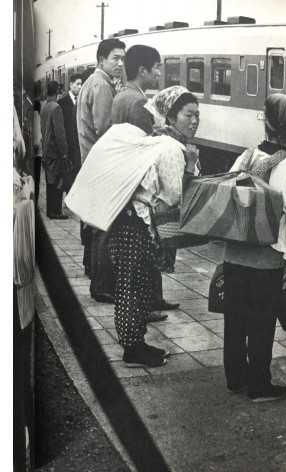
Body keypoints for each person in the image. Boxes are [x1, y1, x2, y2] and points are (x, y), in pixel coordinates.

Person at [223, 93, 286, 402]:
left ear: (266, 123)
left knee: (234, 320)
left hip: (234, 254)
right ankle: (259, 386)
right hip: (267, 258)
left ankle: (235, 378)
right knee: (261, 323)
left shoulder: (246, 157)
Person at [106, 86, 200, 367]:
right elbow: (174, 196)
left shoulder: (161, 139)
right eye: (188, 115)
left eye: (197, 115)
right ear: (171, 115)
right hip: (135, 225)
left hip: (133, 222)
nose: (194, 121)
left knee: (138, 285)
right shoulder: (171, 147)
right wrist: (191, 165)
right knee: (132, 286)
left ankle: (137, 344)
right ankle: (132, 349)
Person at [111, 45, 178, 319]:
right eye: (157, 67)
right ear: (143, 70)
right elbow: (145, 149)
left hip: (124, 187)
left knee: (133, 267)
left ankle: (147, 304)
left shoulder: (121, 96)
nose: (160, 72)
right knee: (139, 261)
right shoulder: (138, 102)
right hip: (137, 193)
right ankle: (143, 311)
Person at [76, 38, 125, 302]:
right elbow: (106, 130)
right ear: (101, 60)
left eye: (123, 58)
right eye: (115, 58)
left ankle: (100, 284)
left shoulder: (91, 83)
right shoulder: (102, 85)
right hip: (103, 165)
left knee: (98, 228)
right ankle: (103, 286)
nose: (120, 63)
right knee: (105, 230)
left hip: (93, 164)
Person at [40, 81, 69, 219]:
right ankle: (56, 211)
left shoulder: (45, 107)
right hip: (55, 152)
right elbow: (60, 133)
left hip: (46, 151)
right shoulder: (56, 107)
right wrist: (64, 153)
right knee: (57, 182)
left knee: (50, 182)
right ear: (57, 91)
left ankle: (50, 211)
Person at [58, 74, 82, 188]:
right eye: (78, 84)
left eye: (81, 84)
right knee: (69, 176)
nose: (80, 87)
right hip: (68, 145)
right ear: (71, 85)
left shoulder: (81, 101)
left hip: (78, 145)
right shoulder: (62, 103)